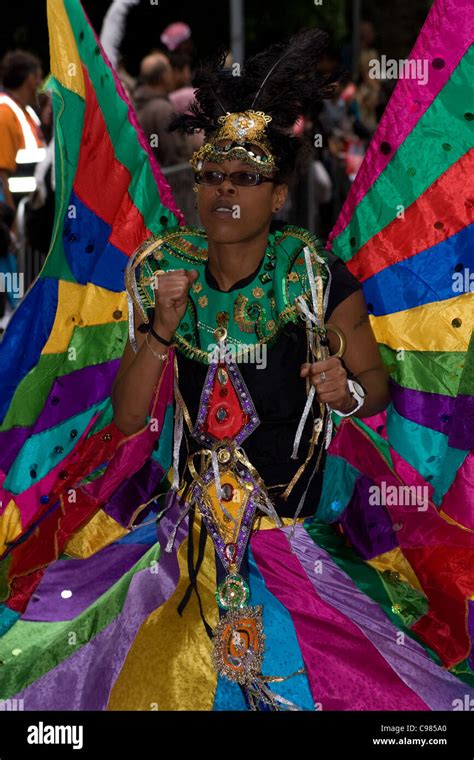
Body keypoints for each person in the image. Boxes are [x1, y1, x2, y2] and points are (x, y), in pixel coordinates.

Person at [0, 50, 45, 212]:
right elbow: (1, 175)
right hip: (15, 217)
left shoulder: (28, 113)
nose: (41, 84)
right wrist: (11, 227)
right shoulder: (5, 112)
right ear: (31, 80)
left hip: (29, 213)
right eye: (39, 77)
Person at [134, 52, 193, 167]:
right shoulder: (163, 110)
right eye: (169, 70)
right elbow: (174, 155)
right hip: (170, 181)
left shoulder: (136, 103)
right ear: (164, 77)